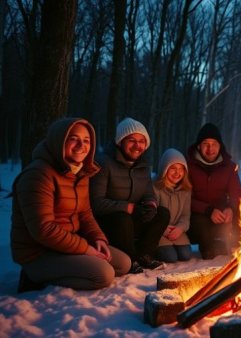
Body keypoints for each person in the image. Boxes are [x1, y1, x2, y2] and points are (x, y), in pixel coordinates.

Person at [11, 118, 131, 292]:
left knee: (123, 264)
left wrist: (98, 239)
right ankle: (34, 278)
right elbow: (44, 230)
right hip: (39, 253)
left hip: (69, 245)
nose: (81, 145)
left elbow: (85, 213)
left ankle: (69, 268)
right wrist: (85, 249)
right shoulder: (38, 175)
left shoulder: (79, 171)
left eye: (87, 140)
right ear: (59, 141)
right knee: (103, 275)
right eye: (73, 139)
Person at [90, 117, 168, 273]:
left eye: (142, 141)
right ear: (120, 142)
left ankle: (144, 255)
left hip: (131, 217)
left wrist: (151, 204)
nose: (137, 146)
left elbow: (148, 194)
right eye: (132, 140)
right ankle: (131, 260)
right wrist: (128, 207)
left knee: (162, 213)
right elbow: (95, 203)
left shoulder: (143, 166)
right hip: (109, 222)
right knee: (122, 217)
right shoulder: (103, 163)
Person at [186, 122, 241, 259]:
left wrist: (230, 207)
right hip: (198, 215)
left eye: (214, 144)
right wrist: (208, 210)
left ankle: (236, 244)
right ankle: (209, 245)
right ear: (199, 146)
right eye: (206, 144)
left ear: (220, 146)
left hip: (223, 214)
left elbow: (237, 193)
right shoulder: (188, 166)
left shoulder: (229, 167)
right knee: (208, 249)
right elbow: (185, 197)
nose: (210, 148)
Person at [153, 148, 193, 262]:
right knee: (170, 257)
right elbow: (151, 214)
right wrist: (162, 228)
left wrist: (180, 228)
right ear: (165, 169)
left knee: (185, 255)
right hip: (160, 230)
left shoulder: (185, 190)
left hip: (176, 229)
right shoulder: (155, 188)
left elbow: (185, 216)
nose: (177, 173)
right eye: (173, 168)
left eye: (181, 169)